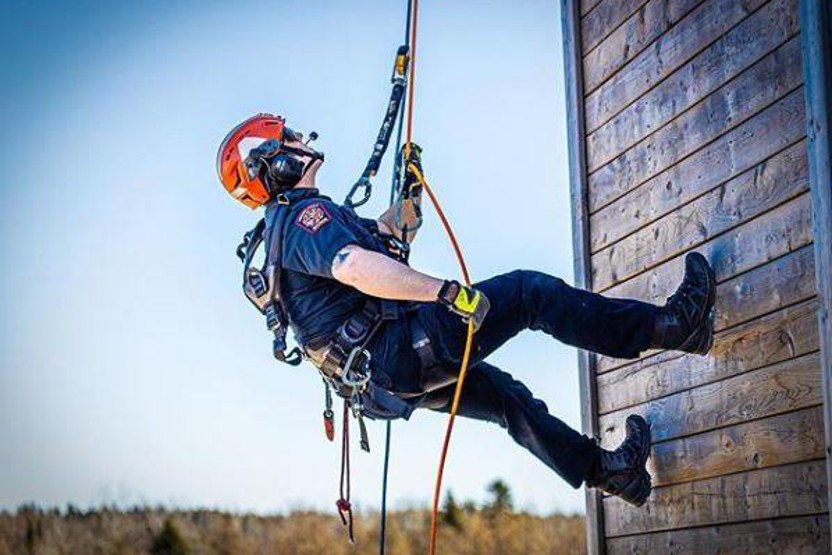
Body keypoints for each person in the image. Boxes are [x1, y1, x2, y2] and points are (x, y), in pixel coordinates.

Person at [216, 113, 717, 507]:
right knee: (527, 294)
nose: (303, 139)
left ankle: (612, 474)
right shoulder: (306, 217)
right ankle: (670, 327)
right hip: (396, 351)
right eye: (290, 138)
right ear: (275, 163)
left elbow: (389, 238)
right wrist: (443, 292)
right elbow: (354, 266)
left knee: (504, 398)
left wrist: (410, 190)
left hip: (381, 379)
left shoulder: (293, 229)